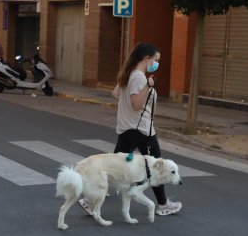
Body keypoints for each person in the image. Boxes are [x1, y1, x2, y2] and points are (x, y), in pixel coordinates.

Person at [78, 43, 182, 216]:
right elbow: (136, 105)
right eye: (155, 60)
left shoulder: (129, 74)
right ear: (147, 59)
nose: (156, 63)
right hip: (140, 129)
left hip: (127, 128)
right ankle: (163, 205)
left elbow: (116, 93)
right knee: (157, 166)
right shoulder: (139, 78)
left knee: (113, 166)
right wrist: (147, 86)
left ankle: (89, 201)